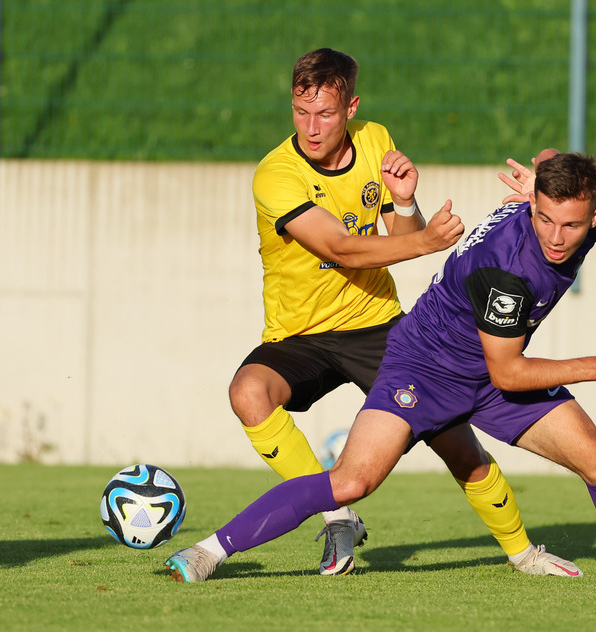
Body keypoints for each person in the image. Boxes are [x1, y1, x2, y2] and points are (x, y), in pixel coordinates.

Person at [165, 150, 596, 587]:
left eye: (570, 224)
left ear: (594, 215)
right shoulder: (508, 274)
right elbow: (510, 374)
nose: (556, 237)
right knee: (352, 481)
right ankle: (211, 550)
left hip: (491, 369)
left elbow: (557, 171)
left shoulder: (574, 218)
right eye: (543, 219)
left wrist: (544, 168)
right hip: (426, 368)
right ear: (533, 206)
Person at [219, 48, 568, 578]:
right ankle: (337, 514)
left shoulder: (374, 141)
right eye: (300, 111)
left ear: (352, 107)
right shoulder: (275, 175)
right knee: (248, 392)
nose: (312, 127)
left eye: (327, 113)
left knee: (456, 443)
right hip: (300, 334)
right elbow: (340, 248)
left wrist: (405, 205)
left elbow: (402, 240)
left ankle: (523, 552)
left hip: (381, 328)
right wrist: (427, 239)